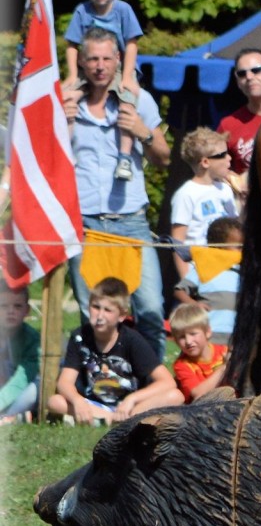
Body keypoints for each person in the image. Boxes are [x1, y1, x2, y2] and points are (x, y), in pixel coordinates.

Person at [62, 27, 170, 357]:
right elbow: (46, 161)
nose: (99, 65)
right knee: (91, 313)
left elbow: (164, 158)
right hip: (85, 222)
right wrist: (60, 124)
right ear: (80, 61)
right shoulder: (65, 103)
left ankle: (155, 387)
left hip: (131, 221)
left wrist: (143, 133)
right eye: (92, 58)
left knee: (150, 308)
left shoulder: (139, 99)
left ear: (118, 59)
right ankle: (102, 386)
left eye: (106, 58)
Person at [50, 276, 183, 423]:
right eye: (95, 307)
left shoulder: (132, 339)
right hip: (95, 404)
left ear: (121, 316)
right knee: (55, 402)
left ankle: (110, 420)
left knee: (175, 396)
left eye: (108, 310)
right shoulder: (80, 336)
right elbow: (64, 382)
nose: (100, 316)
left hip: (130, 407)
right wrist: (77, 401)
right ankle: (113, 420)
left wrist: (132, 399)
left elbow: (167, 382)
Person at [62, 0, 144, 182]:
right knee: (66, 98)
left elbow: (131, 44)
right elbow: (71, 44)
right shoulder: (83, 11)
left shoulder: (123, 10)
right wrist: (72, 74)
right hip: (87, 67)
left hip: (118, 66)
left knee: (127, 100)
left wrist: (127, 75)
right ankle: (67, 151)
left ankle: (124, 156)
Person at [169, 127, 240, 278]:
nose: (230, 158)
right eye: (223, 155)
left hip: (229, 268)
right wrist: (186, 279)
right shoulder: (186, 194)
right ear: (206, 162)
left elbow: (237, 227)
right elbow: (178, 241)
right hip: (200, 270)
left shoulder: (225, 189)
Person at [175, 215, 244, 345]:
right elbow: (179, 290)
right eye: (239, 247)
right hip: (209, 338)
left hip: (235, 339)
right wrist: (194, 305)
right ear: (219, 248)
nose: (242, 251)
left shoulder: (242, 270)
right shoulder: (204, 268)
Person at [216, 46, 261, 182]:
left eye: (257, 70)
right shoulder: (228, 125)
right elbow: (212, 166)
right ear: (238, 82)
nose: (249, 77)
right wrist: (233, 180)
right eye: (242, 74)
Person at [168, 300, 228, 401]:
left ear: (208, 332)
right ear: (176, 341)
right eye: (182, 337)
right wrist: (224, 368)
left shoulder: (224, 351)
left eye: (193, 334)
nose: (188, 341)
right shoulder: (182, 365)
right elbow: (199, 394)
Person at [0, 283, 41, 423]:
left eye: (17, 306)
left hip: (15, 391)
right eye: (4, 306)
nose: (10, 311)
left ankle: (8, 418)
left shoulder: (32, 338)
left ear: (27, 310)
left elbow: (21, 380)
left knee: (35, 389)